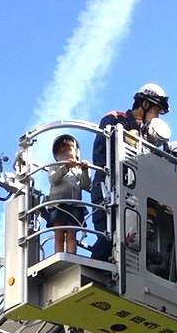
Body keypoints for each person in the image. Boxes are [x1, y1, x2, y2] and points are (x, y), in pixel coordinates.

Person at [88, 82, 170, 261]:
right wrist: (108, 177)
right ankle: (95, 271)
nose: (157, 116)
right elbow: (100, 152)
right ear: (145, 104)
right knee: (108, 236)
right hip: (107, 185)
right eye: (156, 110)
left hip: (131, 191)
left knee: (130, 238)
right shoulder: (116, 118)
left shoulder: (146, 135)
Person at [45, 134, 92, 256]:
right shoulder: (54, 166)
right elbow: (53, 180)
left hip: (74, 205)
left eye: (69, 150)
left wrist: (85, 170)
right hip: (58, 205)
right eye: (62, 152)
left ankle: (71, 255)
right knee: (59, 235)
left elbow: (86, 184)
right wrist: (65, 167)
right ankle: (58, 255)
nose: (66, 154)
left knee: (71, 234)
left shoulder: (77, 169)